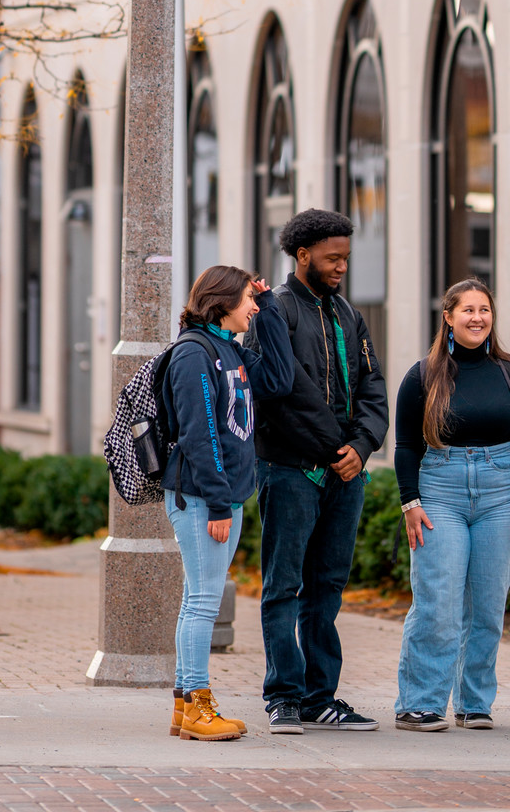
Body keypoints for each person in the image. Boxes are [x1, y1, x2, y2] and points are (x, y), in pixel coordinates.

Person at [244, 208, 389, 733]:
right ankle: (283, 695)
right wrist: (335, 448)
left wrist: (363, 445)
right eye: (332, 258)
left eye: (346, 258)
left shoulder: (349, 314)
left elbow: (373, 386)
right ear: (302, 255)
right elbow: (281, 398)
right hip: (289, 471)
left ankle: (320, 697)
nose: (341, 267)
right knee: (284, 586)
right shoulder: (271, 313)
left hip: (346, 473)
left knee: (327, 586)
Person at [393, 278, 510, 734]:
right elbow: (404, 445)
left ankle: (474, 702)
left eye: (485, 310)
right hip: (439, 487)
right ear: (448, 317)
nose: (478, 318)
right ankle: (419, 703)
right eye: (468, 310)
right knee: (438, 601)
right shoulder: (422, 375)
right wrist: (409, 503)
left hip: (502, 488)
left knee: (487, 605)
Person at [163, 264, 294, 741]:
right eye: (248, 301)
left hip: (221, 495)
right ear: (221, 302)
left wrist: (271, 308)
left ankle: (185, 707)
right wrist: (219, 504)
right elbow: (200, 435)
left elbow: (279, 379)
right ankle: (198, 706)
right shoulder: (194, 354)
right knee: (202, 603)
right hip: (202, 498)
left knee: (196, 601)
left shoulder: (229, 350)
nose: (253, 307)